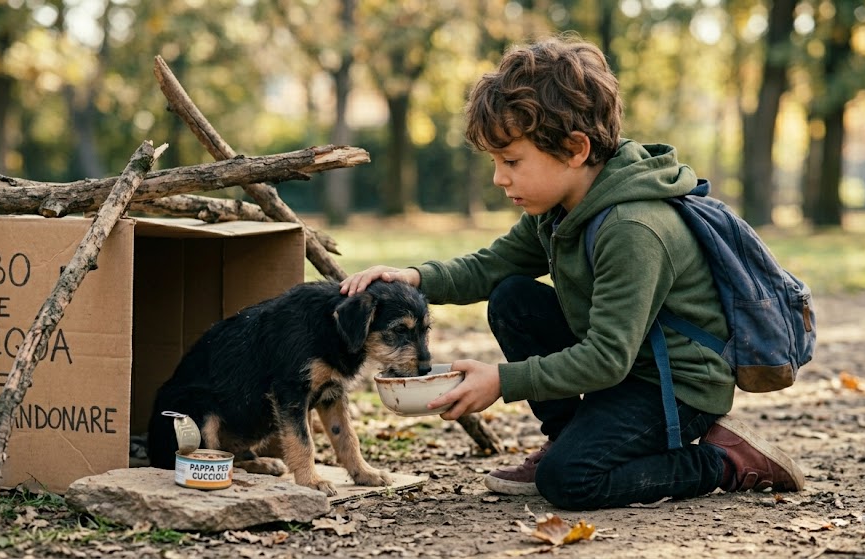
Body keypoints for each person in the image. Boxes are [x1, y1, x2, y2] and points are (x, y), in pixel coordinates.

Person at [339, 34, 804, 510]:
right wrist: (412, 277)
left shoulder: (632, 228)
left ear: (575, 148)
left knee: (570, 481)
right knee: (513, 297)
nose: (499, 177)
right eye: (496, 162)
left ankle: (724, 460)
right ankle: (567, 437)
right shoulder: (558, 207)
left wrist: (502, 380)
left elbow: (606, 357)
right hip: (627, 365)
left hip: (673, 387)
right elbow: (493, 266)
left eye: (511, 161)